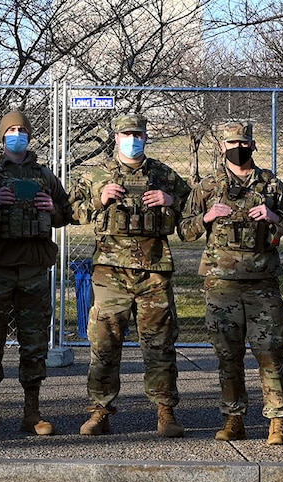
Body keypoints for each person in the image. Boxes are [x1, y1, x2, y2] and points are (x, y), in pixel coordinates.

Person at [69, 113, 191, 437]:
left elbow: (195, 212)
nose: (132, 138)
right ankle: (100, 412)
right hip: (110, 273)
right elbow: (68, 210)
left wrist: (171, 200)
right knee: (105, 344)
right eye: (126, 133)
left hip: (153, 273)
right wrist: (99, 198)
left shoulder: (164, 175)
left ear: (146, 137)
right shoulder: (97, 175)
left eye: (138, 133)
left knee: (159, 345)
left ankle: (166, 412)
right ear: (116, 136)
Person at [179, 120, 283, 445]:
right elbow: (184, 229)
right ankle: (234, 418)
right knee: (227, 353)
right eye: (233, 143)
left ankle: (278, 421)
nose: (239, 148)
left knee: (270, 353)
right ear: (222, 146)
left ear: (253, 145)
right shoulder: (208, 186)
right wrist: (206, 217)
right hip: (221, 284)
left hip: (262, 283)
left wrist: (275, 218)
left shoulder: (271, 185)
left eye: (244, 143)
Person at [0, 109, 71, 436]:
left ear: (29, 135)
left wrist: (52, 208)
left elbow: (65, 213)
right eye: (11, 130)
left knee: (34, 342)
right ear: (2, 137)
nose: (17, 134)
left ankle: (32, 412)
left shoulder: (44, 176)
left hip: (33, 269)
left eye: (22, 130)